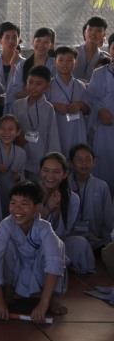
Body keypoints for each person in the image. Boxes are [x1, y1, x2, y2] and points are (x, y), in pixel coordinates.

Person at [0, 180, 68, 324]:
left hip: (40, 273)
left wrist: (43, 305)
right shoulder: (7, 224)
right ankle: (9, 293)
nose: (17, 209)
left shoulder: (44, 228)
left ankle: (51, 298)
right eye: (13, 203)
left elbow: (54, 263)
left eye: (24, 204)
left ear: (37, 208)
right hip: (17, 272)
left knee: (58, 246)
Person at [38, 153, 95, 274]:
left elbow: (70, 230)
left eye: (56, 172)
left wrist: (57, 214)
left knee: (80, 243)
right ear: (40, 171)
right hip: (35, 243)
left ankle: (64, 262)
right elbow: (27, 228)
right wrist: (47, 209)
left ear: (65, 174)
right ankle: (64, 264)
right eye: (46, 170)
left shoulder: (73, 198)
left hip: (60, 241)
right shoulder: (31, 193)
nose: (50, 176)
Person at [11, 65, 61, 180]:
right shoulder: (17, 105)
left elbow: (53, 136)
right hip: (20, 153)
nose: (33, 87)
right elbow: (8, 127)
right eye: (30, 82)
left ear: (47, 86)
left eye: (38, 84)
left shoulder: (48, 108)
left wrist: (53, 160)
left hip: (40, 155)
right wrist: (17, 135)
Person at [68, 144, 113, 251]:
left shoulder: (102, 186)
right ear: (71, 163)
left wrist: (106, 243)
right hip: (70, 241)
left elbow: (108, 219)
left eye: (88, 159)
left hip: (97, 241)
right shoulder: (64, 185)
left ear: (94, 162)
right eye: (79, 160)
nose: (84, 163)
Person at [48, 46, 89, 158]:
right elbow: (42, 106)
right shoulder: (49, 85)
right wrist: (55, 105)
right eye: (61, 60)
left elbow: (87, 110)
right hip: (58, 127)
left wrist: (80, 104)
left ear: (76, 64)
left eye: (69, 60)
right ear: (55, 63)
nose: (65, 64)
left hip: (77, 128)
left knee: (77, 157)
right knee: (59, 156)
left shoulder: (80, 85)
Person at [6, 27, 57, 111]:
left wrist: (29, 91)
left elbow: (56, 92)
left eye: (45, 42)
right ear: (33, 42)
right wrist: (40, 91)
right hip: (26, 110)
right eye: (38, 40)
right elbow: (17, 93)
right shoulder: (22, 65)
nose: (41, 45)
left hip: (49, 109)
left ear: (51, 45)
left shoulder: (56, 65)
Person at [0, 114, 26, 217]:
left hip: (12, 196)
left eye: (11, 129)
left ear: (18, 132)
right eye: (2, 129)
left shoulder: (21, 153)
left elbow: (23, 178)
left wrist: (18, 177)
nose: (6, 132)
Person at [87, 55, 114, 194]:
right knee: (104, 166)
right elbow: (91, 97)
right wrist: (101, 110)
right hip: (104, 127)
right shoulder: (98, 73)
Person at [0, 22, 24, 115]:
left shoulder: (24, 63)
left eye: (14, 37)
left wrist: (13, 65)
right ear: (0, 40)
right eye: (7, 37)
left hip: (15, 109)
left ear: (18, 39)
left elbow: (22, 87)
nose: (11, 41)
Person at [74, 16, 109, 82]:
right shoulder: (71, 53)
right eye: (90, 29)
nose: (93, 33)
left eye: (98, 30)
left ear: (104, 35)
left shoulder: (105, 58)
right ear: (85, 32)